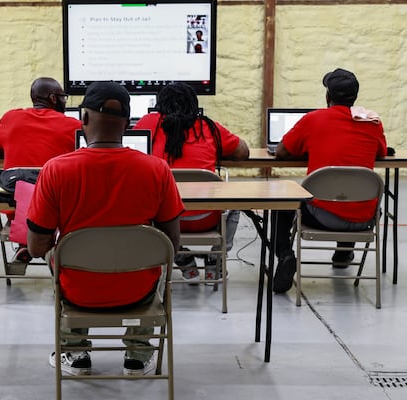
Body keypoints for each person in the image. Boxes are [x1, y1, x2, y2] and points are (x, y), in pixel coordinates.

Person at [26, 81, 184, 377]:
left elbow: (36, 248)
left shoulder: (55, 170)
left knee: (56, 254)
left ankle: (75, 350)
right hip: (138, 291)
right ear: (127, 122)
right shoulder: (158, 170)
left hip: (78, 292)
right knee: (158, 256)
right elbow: (172, 246)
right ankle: (138, 355)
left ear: (83, 118)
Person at [272, 68, 387, 294]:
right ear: (355, 97)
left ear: (327, 97)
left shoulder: (313, 119)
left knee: (280, 202)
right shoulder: (373, 123)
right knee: (350, 193)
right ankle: (343, 254)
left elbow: (282, 152)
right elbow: (381, 153)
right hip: (365, 219)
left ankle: (285, 256)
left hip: (321, 217)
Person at [134, 82, 250, 282]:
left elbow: (132, 152)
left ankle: (180, 255)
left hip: (163, 220)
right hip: (205, 218)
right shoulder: (208, 127)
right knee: (235, 201)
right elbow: (243, 152)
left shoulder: (149, 122)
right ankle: (217, 257)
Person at [0, 77, 81, 262]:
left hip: (16, 207)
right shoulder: (73, 126)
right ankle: (54, 251)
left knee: (25, 190)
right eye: (63, 97)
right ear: (53, 98)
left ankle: (25, 242)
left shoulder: (12, 118)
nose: (64, 101)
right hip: (57, 208)